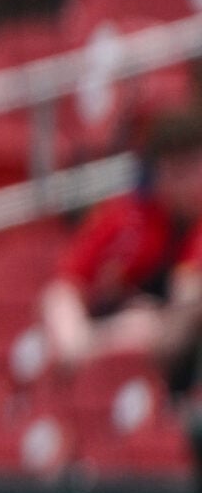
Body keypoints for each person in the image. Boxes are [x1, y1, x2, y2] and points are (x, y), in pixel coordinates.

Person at [42, 108, 202, 376]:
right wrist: (81, 342)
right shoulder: (127, 217)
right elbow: (64, 287)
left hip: (173, 353)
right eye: (174, 171)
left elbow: (186, 299)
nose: (184, 183)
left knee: (146, 323)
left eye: (190, 169)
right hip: (104, 338)